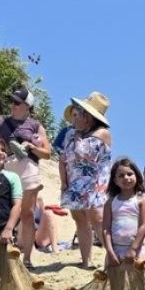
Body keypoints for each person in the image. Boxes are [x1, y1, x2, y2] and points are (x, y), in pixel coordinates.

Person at [54, 91, 113, 269]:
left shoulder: (102, 133)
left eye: (80, 113)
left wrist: (77, 137)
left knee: (97, 219)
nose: (76, 116)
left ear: (88, 117)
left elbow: (84, 154)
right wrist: (63, 182)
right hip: (74, 183)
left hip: (94, 184)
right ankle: (86, 260)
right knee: (79, 219)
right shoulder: (71, 133)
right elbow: (63, 159)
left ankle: (113, 256)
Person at [0, 88, 52, 266]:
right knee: (3, 212)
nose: (13, 105)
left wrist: (31, 147)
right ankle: (3, 253)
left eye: (17, 102)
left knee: (27, 214)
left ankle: (27, 258)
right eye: (11, 101)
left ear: (28, 106)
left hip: (28, 167)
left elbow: (47, 154)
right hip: (7, 167)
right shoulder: (0, 122)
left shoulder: (35, 125)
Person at [101, 156, 145, 290]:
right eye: (121, 175)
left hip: (136, 253)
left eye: (130, 174)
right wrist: (110, 251)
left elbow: (144, 226)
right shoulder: (111, 202)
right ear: (114, 180)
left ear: (137, 176)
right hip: (115, 252)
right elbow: (105, 228)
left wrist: (133, 249)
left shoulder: (141, 201)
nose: (126, 178)